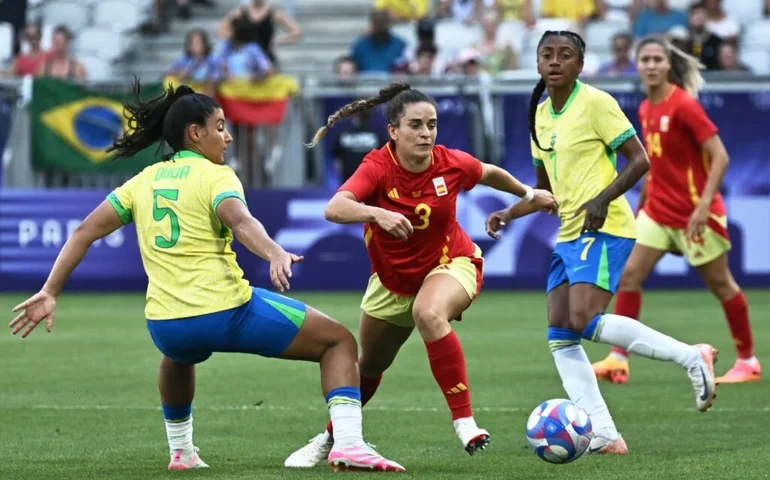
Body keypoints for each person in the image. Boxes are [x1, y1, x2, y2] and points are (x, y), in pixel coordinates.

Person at [8, 81, 404, 473]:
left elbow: (83, 232)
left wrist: (49, 291)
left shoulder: (143, 180)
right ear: (195, 133)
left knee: (177, 357)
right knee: (338, 341)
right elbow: (241, 221)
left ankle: (181, 452)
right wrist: (274, 252)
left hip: (166, 326)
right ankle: (349, 444)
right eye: (220, 127)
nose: (228, 137)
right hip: (226, 313)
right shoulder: (216, 175)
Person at [283, 81, 559, 468]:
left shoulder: (450, 162)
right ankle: (331, 436)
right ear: (393, 131)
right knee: (369, 367)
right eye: (415, 125)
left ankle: (464, 421)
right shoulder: (377, 167)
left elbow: (490, 173)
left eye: (432, 124)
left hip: (452, 263)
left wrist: (529, 195)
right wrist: (376, 213)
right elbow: (335, 207)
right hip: (392, 282)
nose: (426, 133)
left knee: (428, 313)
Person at [485, 30, 719, 455]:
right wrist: (510, 211)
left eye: (565, 55)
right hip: (568, 233)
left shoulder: (596, 103)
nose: (555, 61)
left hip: (606, 225)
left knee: (583, 317)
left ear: (580, 65)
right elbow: (544, 190)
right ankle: (607, 434)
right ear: (537, 63)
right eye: (547, 54)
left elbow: (640, 160)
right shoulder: (540, 115)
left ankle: (691, 356)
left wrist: (602, 199)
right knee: (560, 333)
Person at [591, 36, 760, 385]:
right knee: (629, 276)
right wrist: (641, 207)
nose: (651, 65)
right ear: (637, 66)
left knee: (721, 285)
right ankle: (618, 359)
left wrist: (703, 206)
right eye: (645, 59)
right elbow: (655, 164)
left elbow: (721, 156)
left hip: (693, 214)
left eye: (658, 59)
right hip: (658, 211)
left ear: (669, 65)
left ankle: (748, 361)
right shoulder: (645, 107)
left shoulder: (683, 105)